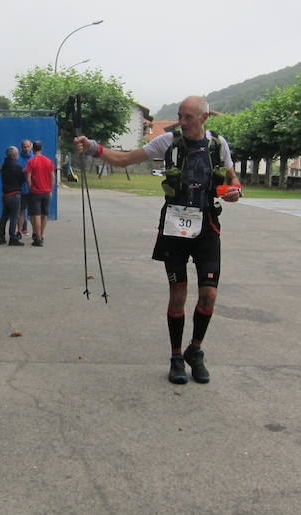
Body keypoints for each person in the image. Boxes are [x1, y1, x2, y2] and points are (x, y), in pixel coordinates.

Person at [74, 96, 241, 385]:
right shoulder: (167, 142)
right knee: (178, 295)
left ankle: (196, 351)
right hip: (175, 228)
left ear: (203, 118)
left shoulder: (218, 145)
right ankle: (176, 357)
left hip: (208, 228)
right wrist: (92, 148)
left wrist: (235, 190)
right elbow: (125, 159)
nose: (183, 122)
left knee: (209, 295)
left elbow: (231, 178)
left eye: (189, 117)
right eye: (180, 116)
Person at [24, 141, 55, 247]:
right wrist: (50, 189)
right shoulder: (48, 161)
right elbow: (53, 176)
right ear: (41, 148)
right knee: (44, 214)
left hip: (35, 192)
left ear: (33, 148)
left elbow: (28, 177)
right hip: (46, 192)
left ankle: (37, 238)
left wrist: (30, 188)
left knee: (36, 215)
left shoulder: (31, 161)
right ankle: (41, 235)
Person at [0, 146, 25, 246]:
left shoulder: (4, 165)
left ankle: (1, 237)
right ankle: (12, 238)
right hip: (14, 194)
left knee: (4, 216)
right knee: (14, 217)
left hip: (5, 194)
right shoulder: (17, 167)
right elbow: (23, 179)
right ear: (15, 155)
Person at [17, 139, 33, 236]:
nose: (26, 148)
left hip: (33, 190)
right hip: (22, 190)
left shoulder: (34, 158)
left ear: (31, 146)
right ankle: (20, 230)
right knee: (21, 211)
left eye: (28, 146)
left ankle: (36, 232)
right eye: (24, 146)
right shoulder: (18, 160)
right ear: (21, 147)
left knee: (34, 212)